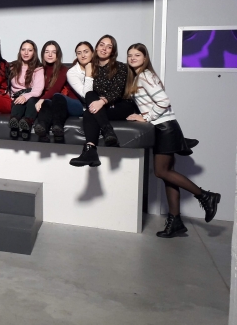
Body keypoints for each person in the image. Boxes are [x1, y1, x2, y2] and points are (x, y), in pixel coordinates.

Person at [125, 43, 220, 237]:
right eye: (130, 55)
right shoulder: (140, 76)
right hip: (165, 126)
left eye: (137, 55)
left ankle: (205, 196)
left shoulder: (145, 76)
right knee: (168, 175)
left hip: (164, 128)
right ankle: (175, 221)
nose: (133, 58)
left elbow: (164, 101)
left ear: (145, 58)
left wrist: (146, 117)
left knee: (161, 172)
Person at [69, 35, 135, 167]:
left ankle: (92, 149)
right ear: (96, 48)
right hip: (101, 107)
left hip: (120, 105)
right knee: (90, 100)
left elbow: (117, 91)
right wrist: (89, 73)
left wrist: (102, 101)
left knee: (90, 112)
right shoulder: (92, 67)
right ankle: (103, 136)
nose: (104, 49)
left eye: (109, 47)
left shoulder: (121, 67)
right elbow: (88, 93)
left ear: (112, 51)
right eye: (102, 45)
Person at [33, 41, 79, 142]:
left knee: (52, 99)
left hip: (62, 102)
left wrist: (42, 99)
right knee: (47, 103)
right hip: (48, 103)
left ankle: (57, 126)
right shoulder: (39, 69)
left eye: (53, 52)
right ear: (43, 54)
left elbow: (56, 88)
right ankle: (42, 128)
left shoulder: (63, 69)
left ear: (58, 55)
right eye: (47, 52)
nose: (50, 55)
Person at [8, 40, 44, 139]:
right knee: (19, 100)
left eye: (30, 50)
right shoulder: (13, 66)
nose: (26, 53)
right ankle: (14, 122)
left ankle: (27, 122)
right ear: (20, 51)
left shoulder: (38, 68)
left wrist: (25, 96)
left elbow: (37, 90)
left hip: (31, 96)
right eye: (23, 50)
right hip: (16, 98)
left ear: (34, 52)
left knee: (31, 99)